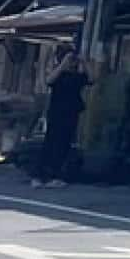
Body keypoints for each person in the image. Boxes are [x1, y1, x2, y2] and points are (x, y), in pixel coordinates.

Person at [36, 52, 92, 184]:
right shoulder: (59, 75)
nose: (72, 64)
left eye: (73, 61)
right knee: (50, 143)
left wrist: (84, 62)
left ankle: (56, 174)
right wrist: (63, 64)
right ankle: (40, 174)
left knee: (64, 144)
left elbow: (91, 79)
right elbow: (49, 80)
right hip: (56, 114)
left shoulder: (77, 77)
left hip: (71, 113)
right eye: (70, 61)